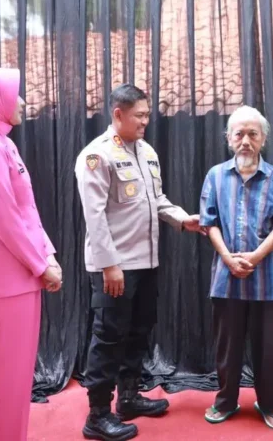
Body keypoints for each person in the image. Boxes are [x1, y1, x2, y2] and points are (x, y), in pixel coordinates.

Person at [75, 84, 202, 441]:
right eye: (139, 115)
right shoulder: (97, 155)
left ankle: (128, 397)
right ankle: (98, 415)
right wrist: (109, 265)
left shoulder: (146, 151)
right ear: (118, 114)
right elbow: (95, 216)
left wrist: (183, 219)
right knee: (108, 337)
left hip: (146, 261)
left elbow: (156, 200)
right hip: (115, 266)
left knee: (139, 330)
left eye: (147, 115)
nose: (146, 121)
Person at [0, 68, 63, 441]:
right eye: (13, 93)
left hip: (18, 273)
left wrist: (47, 255)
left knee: (18, 376)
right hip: (2, 275)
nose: (21, 101)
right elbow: (5, 220)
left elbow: (26, 211)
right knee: (7, 375)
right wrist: (40, 264)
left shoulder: (1, 142)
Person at [199, 106, 273, 429]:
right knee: (227, 346)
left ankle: (270, 404)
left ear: (264, 138)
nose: (245, 141)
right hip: (226, 276)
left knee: (270, 348)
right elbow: (209, 222)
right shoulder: (215, 176)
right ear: (228, 138)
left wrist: (253, 257)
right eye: (239, 134)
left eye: (253, 134)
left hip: (270, 278)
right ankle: (225, 401)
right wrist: (228, 258)